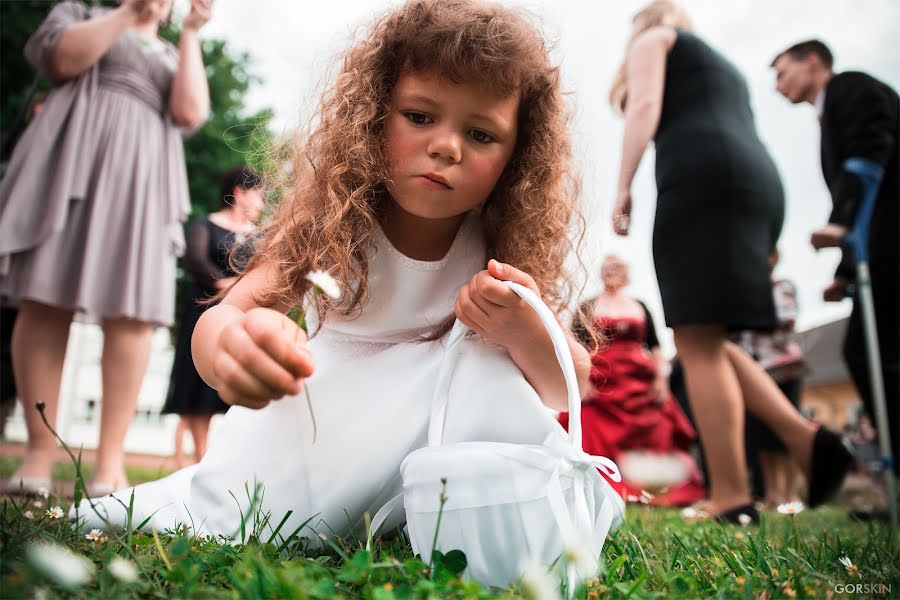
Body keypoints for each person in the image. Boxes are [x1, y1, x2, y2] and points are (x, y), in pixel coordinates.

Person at [74, 0, 608, 540]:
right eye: (420, 117)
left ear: (516, 158)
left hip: (428, 459)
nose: (446, 146)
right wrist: (232, 349)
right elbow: (225, 316)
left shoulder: (496, 252)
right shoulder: (335, 224)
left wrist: (524, 330)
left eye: (481, 135)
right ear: (374, 117)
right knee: (238, 513)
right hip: (319, 436)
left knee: (484, 363)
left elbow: (571, 386)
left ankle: (469, 523)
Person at [608, 0, 852, 522]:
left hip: (701, 181)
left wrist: (623, 186)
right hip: (757, 187)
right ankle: (807, 441)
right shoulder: (725, 69)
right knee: (710, 339)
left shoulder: (657, 41)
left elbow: (645, 105)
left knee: (694, 339)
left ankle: (732, 495)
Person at [0, 0, 212, 497]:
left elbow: (189, 111)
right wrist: (126, 13)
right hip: (68, 164)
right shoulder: (81, 12)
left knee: (133, 314)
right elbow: (62, 60)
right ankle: (38, 455)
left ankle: (109, 466)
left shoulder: (171, 49)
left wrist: (192, 33)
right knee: (45, 300)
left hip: (140, 182)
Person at [771, 40, 899, 478]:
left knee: (876, 352)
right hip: (879, 249)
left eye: (782, 72)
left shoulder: (852, 88)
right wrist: (845, 272)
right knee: (866, 350)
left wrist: (840, 222)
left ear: (812, 61)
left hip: (892, 247)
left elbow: (871, 153)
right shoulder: (828, 115)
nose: (777, 85)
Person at [561, 255, 705, 506]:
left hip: (639, 381)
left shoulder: (640, 305)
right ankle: (598, 481)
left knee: (658, 427)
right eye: (606, 268)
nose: (610, 272)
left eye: (616, 267)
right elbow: (573, 345)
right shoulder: (587, 306)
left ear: (627, 273)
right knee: (590, 425)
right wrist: (581, 381)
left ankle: (652, 485)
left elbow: (655, 346)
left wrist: (661, 380)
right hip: (600, 379)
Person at [162, 166, 263, 468]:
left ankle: (223, 461)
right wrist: (233, 284)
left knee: (231, 387)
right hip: (202, 313)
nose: (262, 202)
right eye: (259, 194)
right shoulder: (205, 225)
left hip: (242, 318)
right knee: (196, 387)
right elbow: (196, 260)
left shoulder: (261, 235)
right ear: (240, 193)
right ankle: (200, 458)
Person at [734, 250, 805, 508]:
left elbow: (784, 320)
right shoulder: (744, 291)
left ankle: (791, 494)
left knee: (785, 431)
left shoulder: (782, 287)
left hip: (783, 368)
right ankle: (772, 494)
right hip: (754, 370)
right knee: (760, 435)